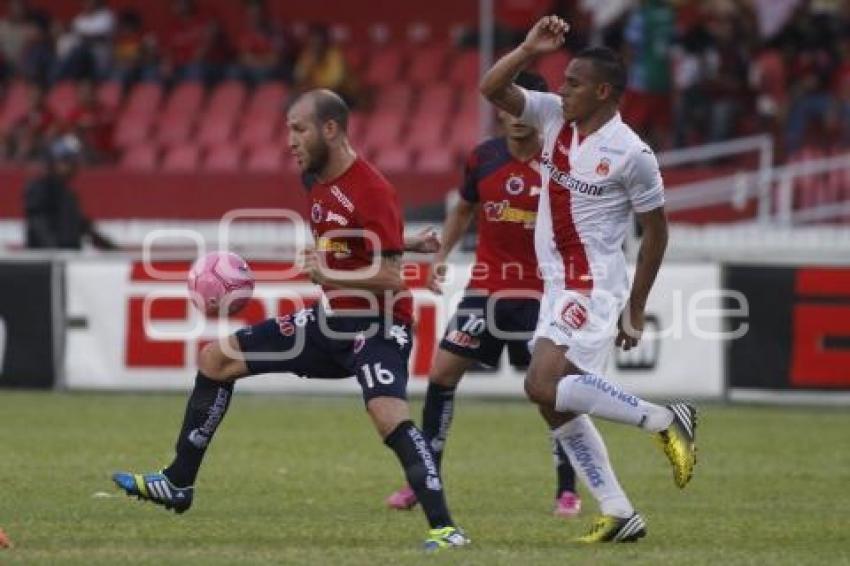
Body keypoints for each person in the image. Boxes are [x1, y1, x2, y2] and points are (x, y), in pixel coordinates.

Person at [111, 89, 470, 552]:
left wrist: (332, 271)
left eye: (298, 129)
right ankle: (178, 481)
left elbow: (393, 279)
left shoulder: (375, 189)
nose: (289, 141)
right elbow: (363, 237)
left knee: (387, 414)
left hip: (379, 326)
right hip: (329, 321)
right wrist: (405, 243)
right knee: (217, 359)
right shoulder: (313, 179)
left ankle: (446, 530)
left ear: (331, 130)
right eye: (287, 130)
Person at [480, 15, 697, 543]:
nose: (562, 89)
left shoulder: (633, 154)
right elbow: (491, 88)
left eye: (573, 83)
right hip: (557, 282)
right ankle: (620, 511)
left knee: (542, 383)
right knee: (551, 402)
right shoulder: (553, 118)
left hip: (593, 283)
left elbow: (656, 233)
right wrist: (530, 48)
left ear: (603, 92)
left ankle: (665, 419)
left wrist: (637, 306)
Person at [385, 71, 584, 520]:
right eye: (509, 107)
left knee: (548, 392)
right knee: (441, 374)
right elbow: (464, 208)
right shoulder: (483, 158)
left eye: (525, 108)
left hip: (540, 295)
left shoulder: (562, 163)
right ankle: (425, 479)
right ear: (498, 110)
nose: (516, 117)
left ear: (540, 111)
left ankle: (567, 489)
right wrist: (441, 257)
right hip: (487, 289)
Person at [24, 134, 115, 250]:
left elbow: (83, 227)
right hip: (45, 261)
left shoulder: (68, 195)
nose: (71, 166)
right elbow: (38, 224)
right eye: (65, 161)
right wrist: (55, 253)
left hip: (67, 258)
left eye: (73, 162)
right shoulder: (39, 190)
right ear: (52, 162)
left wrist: (113, 250)